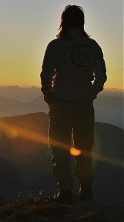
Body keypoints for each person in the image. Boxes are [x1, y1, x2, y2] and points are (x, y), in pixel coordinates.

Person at [40, 5, 107, 204]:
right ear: (82, 22)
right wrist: (92, 92)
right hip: (84, 103)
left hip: (61, 102)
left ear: (63, 21)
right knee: (84, 147)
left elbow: (46, 73)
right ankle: (85, 189)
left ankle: (65, 191)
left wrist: (49, 95)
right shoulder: (92, 46)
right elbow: (101, 75)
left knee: (59, 146)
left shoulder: (56, 46)